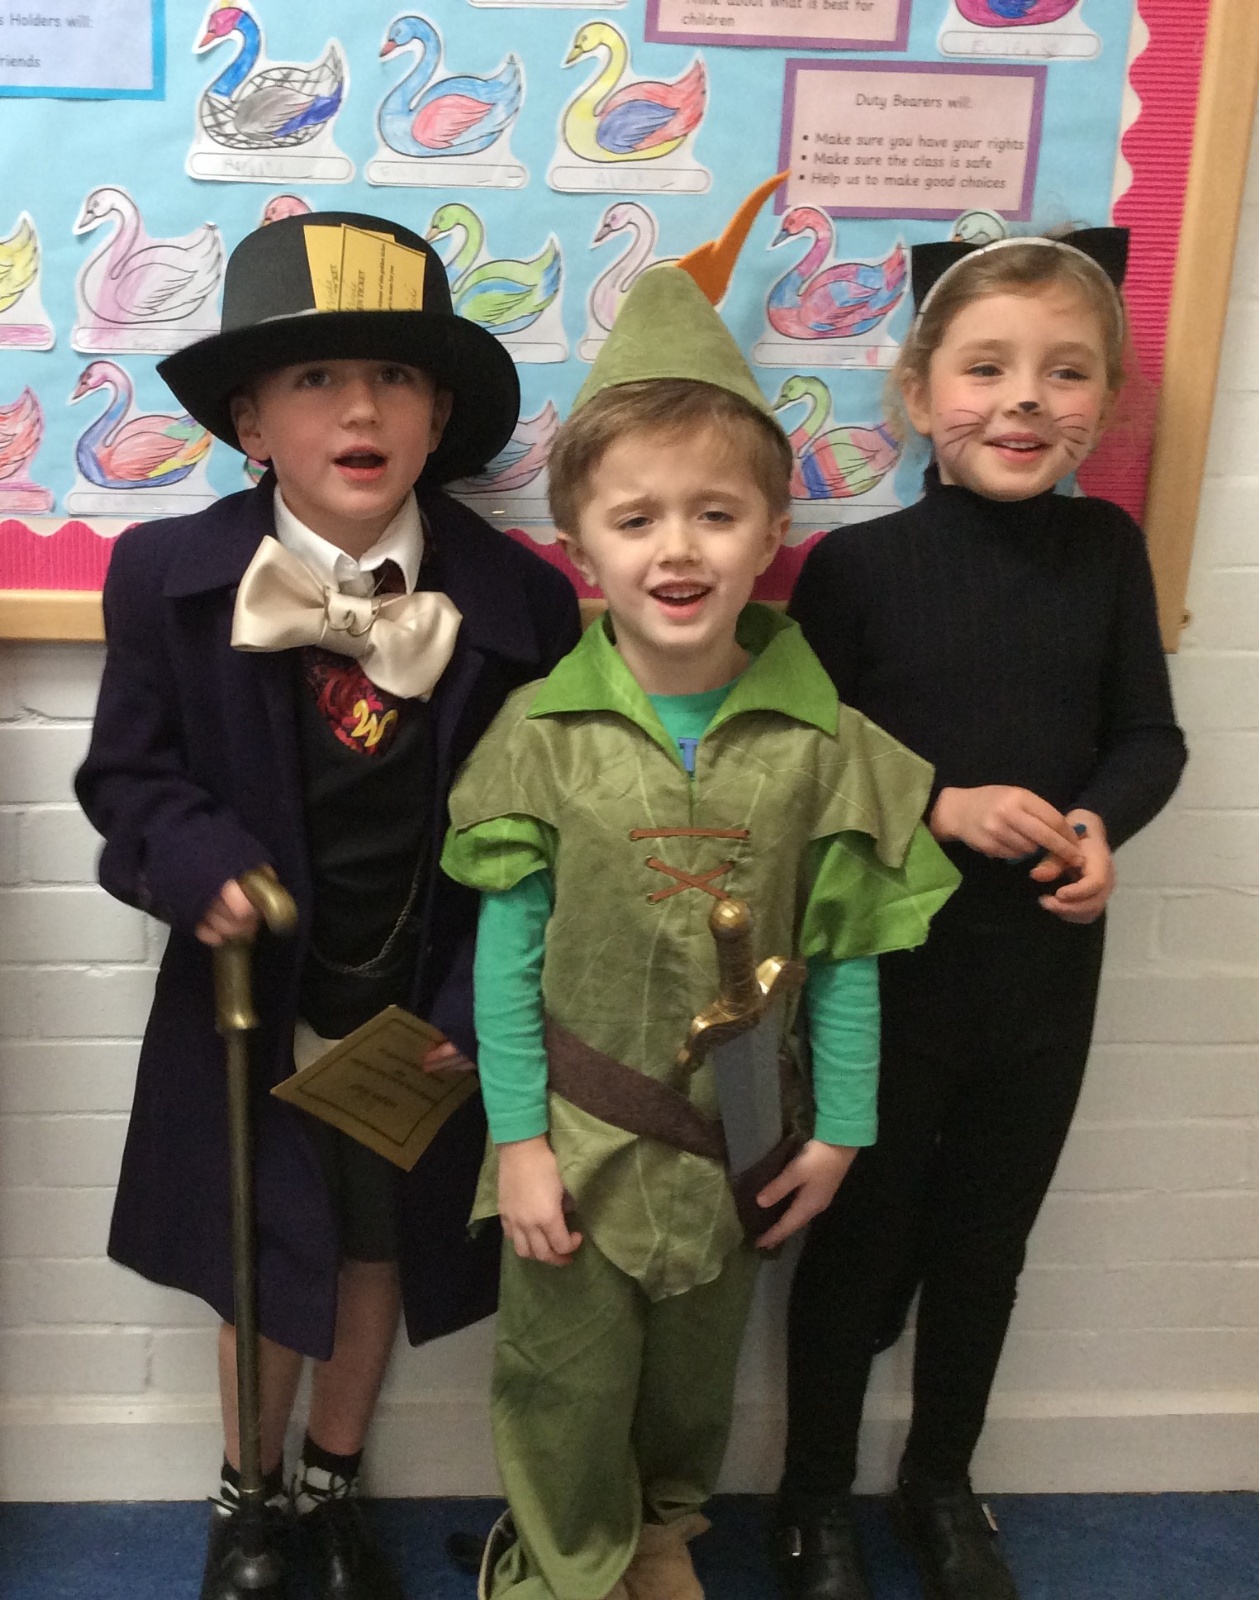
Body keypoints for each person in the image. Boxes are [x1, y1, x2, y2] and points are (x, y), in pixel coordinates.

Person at [439, 219, 959, 1600]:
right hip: (576, 1129)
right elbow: (508, 958)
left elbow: (847, 953)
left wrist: (840, 1129)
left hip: (739, 1131)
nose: (678, 549)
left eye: (716, 514)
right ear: (580, 549)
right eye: (637, 519)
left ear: (772, 535)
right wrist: (519, 1145)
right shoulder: (540, 739)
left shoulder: (828, 750)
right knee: (564, 1371)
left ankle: (662, 1526)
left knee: (692, 1367)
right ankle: (567, 1561)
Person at [75, 211, 581, 1600]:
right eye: (315, 380)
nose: (360, 410)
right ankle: (248, 1497)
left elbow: (546, 829)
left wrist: (478, 999)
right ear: (250, 421)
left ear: (439, 419)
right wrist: (197, 866)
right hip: (253, 1003)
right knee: (259, 1257)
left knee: (374, 1247)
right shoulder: (166, 580)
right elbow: (128, 778)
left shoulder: (523, 604)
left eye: (395, 379)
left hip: (422, 1007)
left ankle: (333, 1482)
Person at [775, 229, 1187, 1600]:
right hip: (888, 975)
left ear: (1104, 403)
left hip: (1044, 975)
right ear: (914, 392)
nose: (1025, 399)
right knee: (861, 1236)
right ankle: (813, 1496)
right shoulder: (854, 569)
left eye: (1066, 372)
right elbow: (802, 759)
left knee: (986, 1241)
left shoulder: (1107, 551)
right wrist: (939, 803)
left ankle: (942, 1480)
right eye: (987, 367)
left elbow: (1149, 737)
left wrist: (1099, 825)